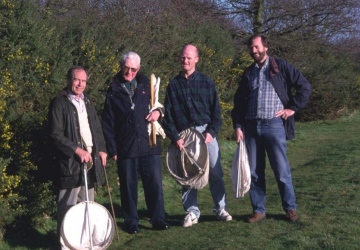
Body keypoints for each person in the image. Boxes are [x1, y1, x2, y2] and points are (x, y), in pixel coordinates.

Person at [231, 35, 311, 223]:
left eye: (257, 47)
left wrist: (293, 108)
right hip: (251, 127)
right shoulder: (248, 72)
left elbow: (304, 86)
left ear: (266, 47)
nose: (254, 50)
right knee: (255, 172)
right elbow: (238, 102)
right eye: (251, 48)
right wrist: (238, 126)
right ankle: (259, 210)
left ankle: (290, 208)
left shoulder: (280, 67)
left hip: (273, 125)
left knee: (281, 170)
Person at [162, 44, 232, 228]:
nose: (185, 60)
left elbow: (216, 113)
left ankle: (220, 209)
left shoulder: (207, 82)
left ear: (196, 59)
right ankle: (192, 212)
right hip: (185, 136)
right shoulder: (173, 85)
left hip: (206, 133)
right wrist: (175, 137)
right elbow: (168, 117)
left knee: (216, 172)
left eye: (189, 57)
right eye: (183, 57)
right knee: (187, 176)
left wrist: (211, 132)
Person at [102, 51, 169, 234]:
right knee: (128, 186)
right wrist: (112, 148)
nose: (129, 72)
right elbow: (108, 122)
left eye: (133, 69)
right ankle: (131, 222)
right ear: (121, 66)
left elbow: (161, 107)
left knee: (154, 184)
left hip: (149, 142)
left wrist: (158, 113)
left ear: (138, 69)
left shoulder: (148, 84)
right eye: (126, 68)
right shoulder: (113, 90)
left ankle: (158, 219)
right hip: (126, 146)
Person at [48, 66, 108, 241]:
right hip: (70, 164)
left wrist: (102, 149)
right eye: (76, 80)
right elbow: (55, 135)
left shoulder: (87, 102)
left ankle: (83, 242)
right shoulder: (59, 103)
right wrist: (77, 150)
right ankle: (65, 243)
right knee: (68, 207)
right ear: (69, 80)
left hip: (89, 163)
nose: (80, 84)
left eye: (83, 81)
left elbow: (96, 129)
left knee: (87, 206)